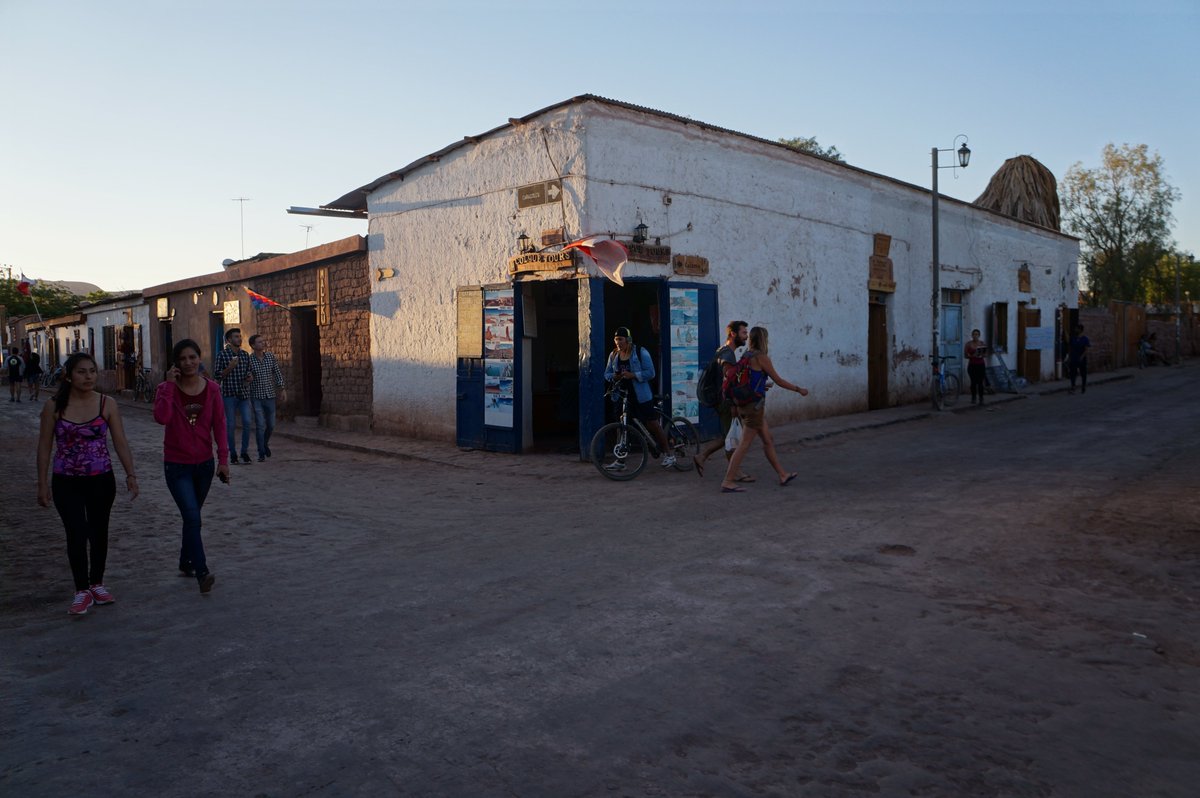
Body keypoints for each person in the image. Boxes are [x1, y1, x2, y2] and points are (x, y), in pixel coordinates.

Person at [35, 352, 139, 616]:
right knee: (76, 532)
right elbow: (45, 446)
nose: (88, 376)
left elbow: (120, 441)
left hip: (101, 480)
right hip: (66, 481)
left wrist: (131, 475)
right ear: (69, 376)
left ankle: (97, 583)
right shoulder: (53, 406)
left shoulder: (107, 404)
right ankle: (81, 589)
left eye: (92, 371)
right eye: (82, 372)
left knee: (99, 531)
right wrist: (42, 483)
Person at [154, 339, 229, 594]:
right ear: (176, 363)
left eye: (192, 357)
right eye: (182, 359)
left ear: (199, 358)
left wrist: (224, 461)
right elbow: (161, 418)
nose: (188, 363)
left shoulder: (213, 390)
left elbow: (220, 426)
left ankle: (186, 561)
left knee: (192, 517)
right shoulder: (166, 389)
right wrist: (168, 387)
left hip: (204, 466)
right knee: (193, 516)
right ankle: (202, 572)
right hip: (177, 466)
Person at [720, 326, 809, 492]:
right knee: (744, 444)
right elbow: (779, 380)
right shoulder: (761, 357)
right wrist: (799, 389)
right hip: (755, 407)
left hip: (746, 404)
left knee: (768, 440)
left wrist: (762, 386)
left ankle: (782, 474)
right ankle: (728, 480)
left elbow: (750, 379)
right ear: (763, 339)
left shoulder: (746, 355)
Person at [603, 327, 675, 469]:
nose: (618, 342)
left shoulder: (640, 352)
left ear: (628, 340)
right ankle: (620, 461)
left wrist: (634, 375)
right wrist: (614, 376)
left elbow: (651, 372)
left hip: (641, 395)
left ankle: (669, 454)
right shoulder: (613, 355)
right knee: (622, 426)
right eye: (616, 340)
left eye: (621, 339)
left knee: (652, 423)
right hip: (622, 395)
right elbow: (607, 374)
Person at [693, 320, 754, 482]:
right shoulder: (727, 355)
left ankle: (702, 456)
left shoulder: (722, 350)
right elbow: (729, 381)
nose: (746, 336)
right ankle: (735, 472)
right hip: (725, 401)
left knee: (728, 434)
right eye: (743, 333)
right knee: (732, 437)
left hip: (722, 400)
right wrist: (733, 404)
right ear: (733, 334)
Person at [214, 328, 253, 464]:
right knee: (230, 425)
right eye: (236, 337)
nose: (239, 339)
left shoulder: (244, 355)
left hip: (243, 394)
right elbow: (217, 375)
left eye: (240, 336)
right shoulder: (222, 355)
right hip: (229, 395)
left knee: (247, 422)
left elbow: (249, 371)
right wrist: (230, 367)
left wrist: (249, 377)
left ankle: (244, 452)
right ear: (229, 340)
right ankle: (233, 453)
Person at [247, 334, 285, 462]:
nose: (262, 344)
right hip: (256, 396)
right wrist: (249, 378)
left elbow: (277, 372)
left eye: (263, 341)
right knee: (260, 425)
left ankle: (264, 443)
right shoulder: (249, 360)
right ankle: (261, 453)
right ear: (253, 345)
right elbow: (247, 377)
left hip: (270, 395)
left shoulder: (270, 357)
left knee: (271, 424)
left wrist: (282, 388)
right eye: (259, 342)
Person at [964, 328, 988, 405]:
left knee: (980, 382)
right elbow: (965, 355)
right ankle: (973, 397)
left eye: (977, 334)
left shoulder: (982, 344)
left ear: (979, 335)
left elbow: (986, 354)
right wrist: (972, 355)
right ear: (972, 335)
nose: (975, 336)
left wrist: (983, 355)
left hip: (981, 365)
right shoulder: (968, 344)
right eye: (974, 334)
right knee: (973, 382)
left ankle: (981, 398)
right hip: (972, 365)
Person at [1067, 324, 1090, 394]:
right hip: (1073, 358)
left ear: (1080, 330)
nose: (1075, 330)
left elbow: (1086, 350)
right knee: (1072, 373)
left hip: (1081, 359)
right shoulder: (1073, 338)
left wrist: (1081, 357)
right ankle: (1073, 387)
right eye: (1075, 329)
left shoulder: (1085, 339)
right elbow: (1070, 348)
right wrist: (1069, 357)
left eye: (1076, 329)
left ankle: (1083, 386)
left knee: (1083, 373)